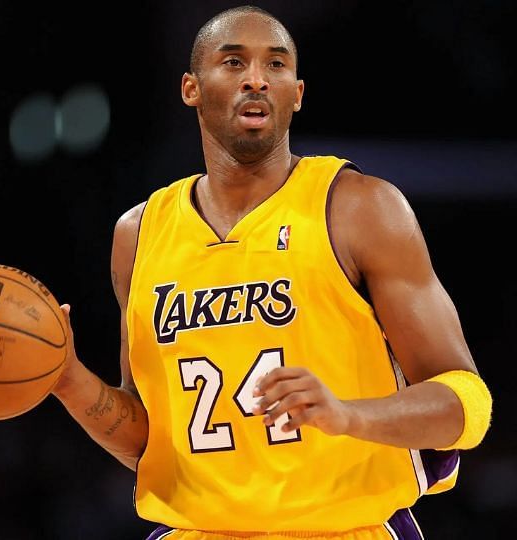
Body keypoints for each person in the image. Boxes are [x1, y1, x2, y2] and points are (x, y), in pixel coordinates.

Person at [50, 6, 491, 538]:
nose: (256, 78)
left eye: (276, 65)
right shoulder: (139, 234)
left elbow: (467, 404)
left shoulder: (358, 207)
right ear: (191, 88)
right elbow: (152, 443)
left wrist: (347, 415)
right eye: (233, 62)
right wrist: (69, 380)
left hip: (343, 528)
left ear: (297, 93)